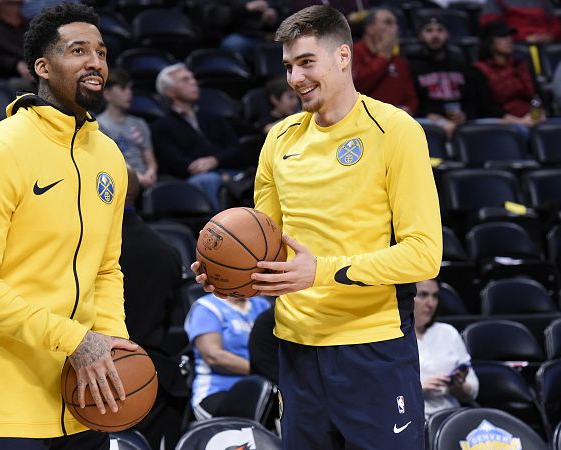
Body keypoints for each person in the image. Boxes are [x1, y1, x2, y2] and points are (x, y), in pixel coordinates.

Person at [193, 5, 442, 449]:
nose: (295, 79)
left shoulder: (396, 130)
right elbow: (265, 249)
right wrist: (232, 277)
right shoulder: (280, 138)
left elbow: (424, 253)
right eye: (288, 66)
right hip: (297, 349)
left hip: (373, 347)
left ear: (343, 56)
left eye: (307, 63)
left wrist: (320, 271)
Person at [0, 4, 137, 449]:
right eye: (79, 51)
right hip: (6, 410)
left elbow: (106, 269)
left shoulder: (109, 156)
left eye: (102, 53)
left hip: (85, 402)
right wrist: (74, 340)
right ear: (43, 67)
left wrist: (113, 345)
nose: (96, 63)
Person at [119, 167, 184, 450]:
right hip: (150, 376)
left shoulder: (81, 245)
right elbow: (171, 318)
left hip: (90, 372)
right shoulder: (166, 250)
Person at [151, 63, 245, 210]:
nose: (194, 82)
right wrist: (203, 165)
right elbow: (175, 163)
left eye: (193, 78)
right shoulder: (162, 126)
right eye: (185, 79)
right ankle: (216, 229)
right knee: (209, 180)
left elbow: (236, 148)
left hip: (226, 170)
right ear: (170, 92)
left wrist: (215, 160)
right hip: (193, 180)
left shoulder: (213, 117)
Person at [184, 293, 271, 420]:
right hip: (217, 390)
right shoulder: (207, 307)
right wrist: (267, 371)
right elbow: (214, 357)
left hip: (264, 386)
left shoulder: (262, 305)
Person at [413, 279, 478, 418]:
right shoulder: (395, 337)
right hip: (413, 419)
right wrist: (417, 389)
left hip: (450, 417)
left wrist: (459, 388)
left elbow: (473, 388)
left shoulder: (448, 332)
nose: (430, 304)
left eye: (435, 296)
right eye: (423, 295)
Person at [407, 14, 476, 137]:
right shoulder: (412, 66)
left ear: (447, 34)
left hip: (460, 120)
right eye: (429, 30)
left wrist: (465, 114)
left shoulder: (460, 64)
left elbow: (473, 98)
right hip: (428, 120)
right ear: (420, 36)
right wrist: (426, 115)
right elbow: (410, 100)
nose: (435, 35)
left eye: (440, 30)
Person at [471, 20, 545, 132]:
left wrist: (538, 113)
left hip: (530, 118)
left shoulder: (521, 65)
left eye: (509, 35)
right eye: (502, 36)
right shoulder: (478, 70)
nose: (509, 39)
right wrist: (519, 121)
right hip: (502, 122)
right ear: (489, 41)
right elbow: (488, 107)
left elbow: (536, 97)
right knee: (523, 132)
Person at [97, 70, 158, 188]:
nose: (129, 93)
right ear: (107, 94)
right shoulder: (99, 125)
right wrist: (136, 177)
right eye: (123, 88)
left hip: (146, 178)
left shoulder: (139, 123)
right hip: (121, 178)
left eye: (130, 89)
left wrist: (151, 171)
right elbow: (110, 161)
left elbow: (148, 154)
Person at [352, 7, 418, 115]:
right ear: (370, 29)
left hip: (395, 121)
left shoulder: (399, 61)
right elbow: (359, 86)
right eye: (388, 23)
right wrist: (383, 56)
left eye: (396, 24)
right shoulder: (353, 53)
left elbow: (411, 98)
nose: (395, 28)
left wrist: (407, 109)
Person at [479, 0, 561, 44]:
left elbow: (557, 26)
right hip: (517, 44)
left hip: (546, 42)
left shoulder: (543, 1)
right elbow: (491, 28)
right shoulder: (496, 1)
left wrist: (550, 36)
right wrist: (522, 37)